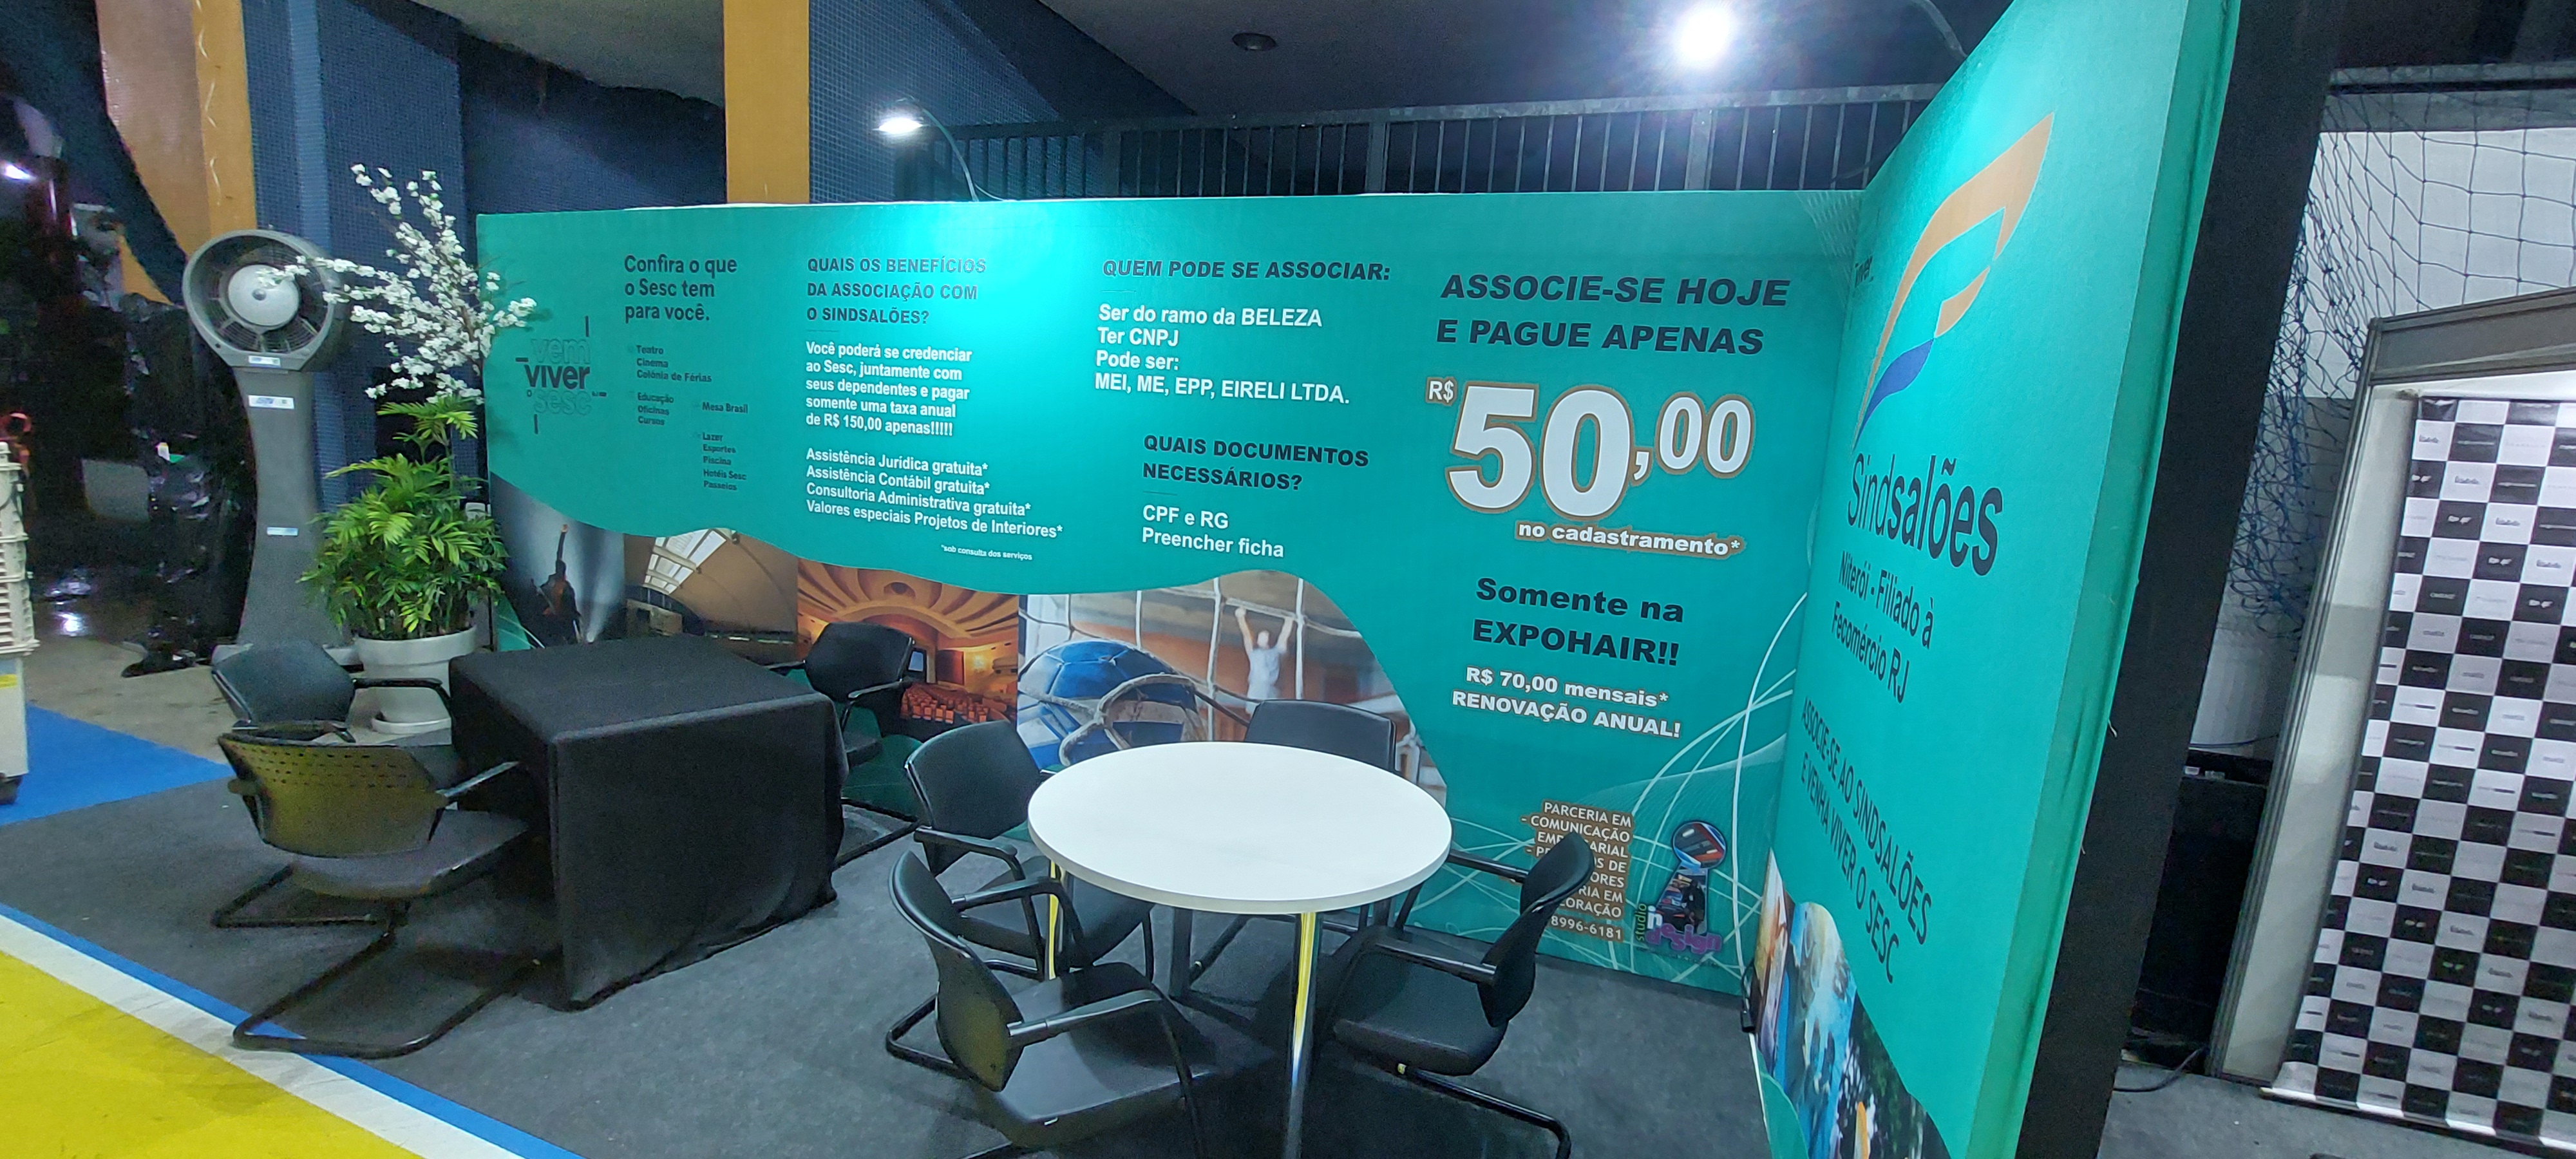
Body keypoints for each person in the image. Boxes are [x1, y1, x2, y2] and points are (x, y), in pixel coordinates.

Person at [1234, 606, 1295, 701]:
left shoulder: (1277, 652)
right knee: (1255, 709)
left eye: (1266, 636)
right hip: (1255, 691)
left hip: (1272, 691)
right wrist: (1241, 617)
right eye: (1261, 636)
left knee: (1270, 709)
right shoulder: (1254, 653)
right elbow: (1247, 635)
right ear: (1258, 640)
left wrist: (1289, 621)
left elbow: (1284, 636)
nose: (1264, 638)